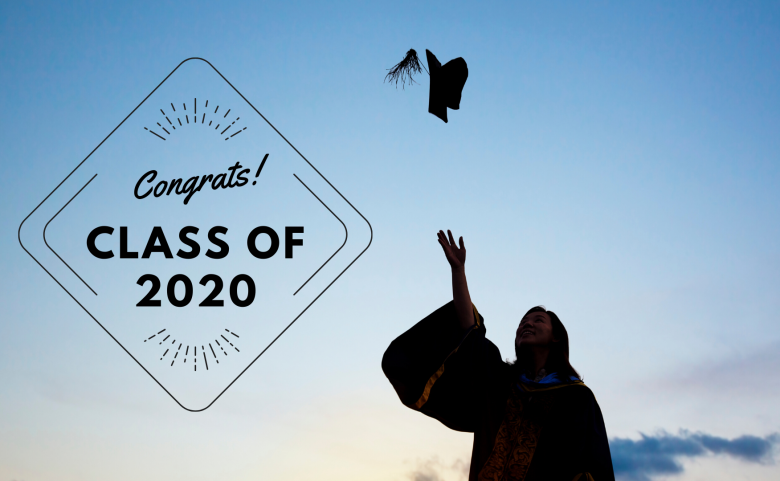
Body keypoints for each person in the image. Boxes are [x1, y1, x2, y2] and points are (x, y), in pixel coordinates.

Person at [382, 230, 615, 481]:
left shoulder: (576, 398)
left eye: (538, 320)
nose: (526, 324)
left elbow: (592, 464)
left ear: (556, 337)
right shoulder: (501, 383)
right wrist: (458, 271)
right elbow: (469, 332)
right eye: (523, 321)